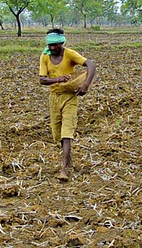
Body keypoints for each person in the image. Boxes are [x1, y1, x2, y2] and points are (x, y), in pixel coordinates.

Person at [39, 28, 96, 181]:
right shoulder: (45, 57)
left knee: (67, 132)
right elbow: (42, 80)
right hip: (54, 97)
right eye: (50, 45)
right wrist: (58, 79)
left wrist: (86, 85)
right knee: (57, 135)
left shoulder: (69, 54)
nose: (52, 48)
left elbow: (90, 64)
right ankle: (68, 157)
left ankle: (64, 168)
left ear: (62, 43)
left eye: (55, 45)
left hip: (70, 97)